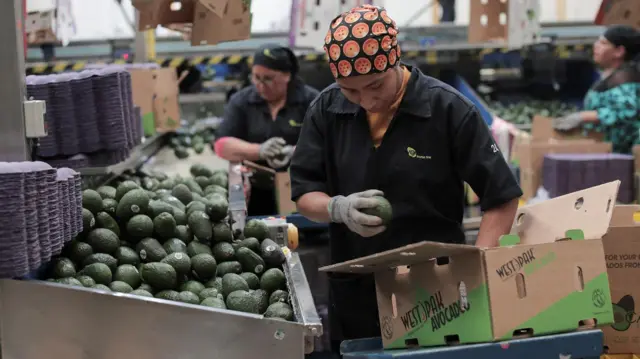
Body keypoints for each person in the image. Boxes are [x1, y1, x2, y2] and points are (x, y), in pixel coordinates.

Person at [288, 5, 522, 356]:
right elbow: (305, 192)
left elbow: (501, 198)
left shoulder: (449, 110)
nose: (366, 101)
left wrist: (475, 272)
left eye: (375, 85)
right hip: (357, 292)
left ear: (395, 60)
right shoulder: (326, 109)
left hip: (436, 286)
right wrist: (338, 208)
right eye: (350, 91)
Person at [215, 44, 320, 216]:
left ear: (287, 76)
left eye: (269, 79)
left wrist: (295, 152)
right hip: (254, 190)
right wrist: (260, 151)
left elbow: (327, 143)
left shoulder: (312, 101)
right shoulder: (241, 101)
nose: (261, 85)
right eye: (256, 78)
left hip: (301, 189)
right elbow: (221, 145)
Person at [553, 25, 640, 154]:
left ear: (619, 52)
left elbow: (628, 112)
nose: (596, 46)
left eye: (603, 43)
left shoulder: (625, 78)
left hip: (622, 158)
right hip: (605, 153)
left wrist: (585, 116)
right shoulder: (610, 75)